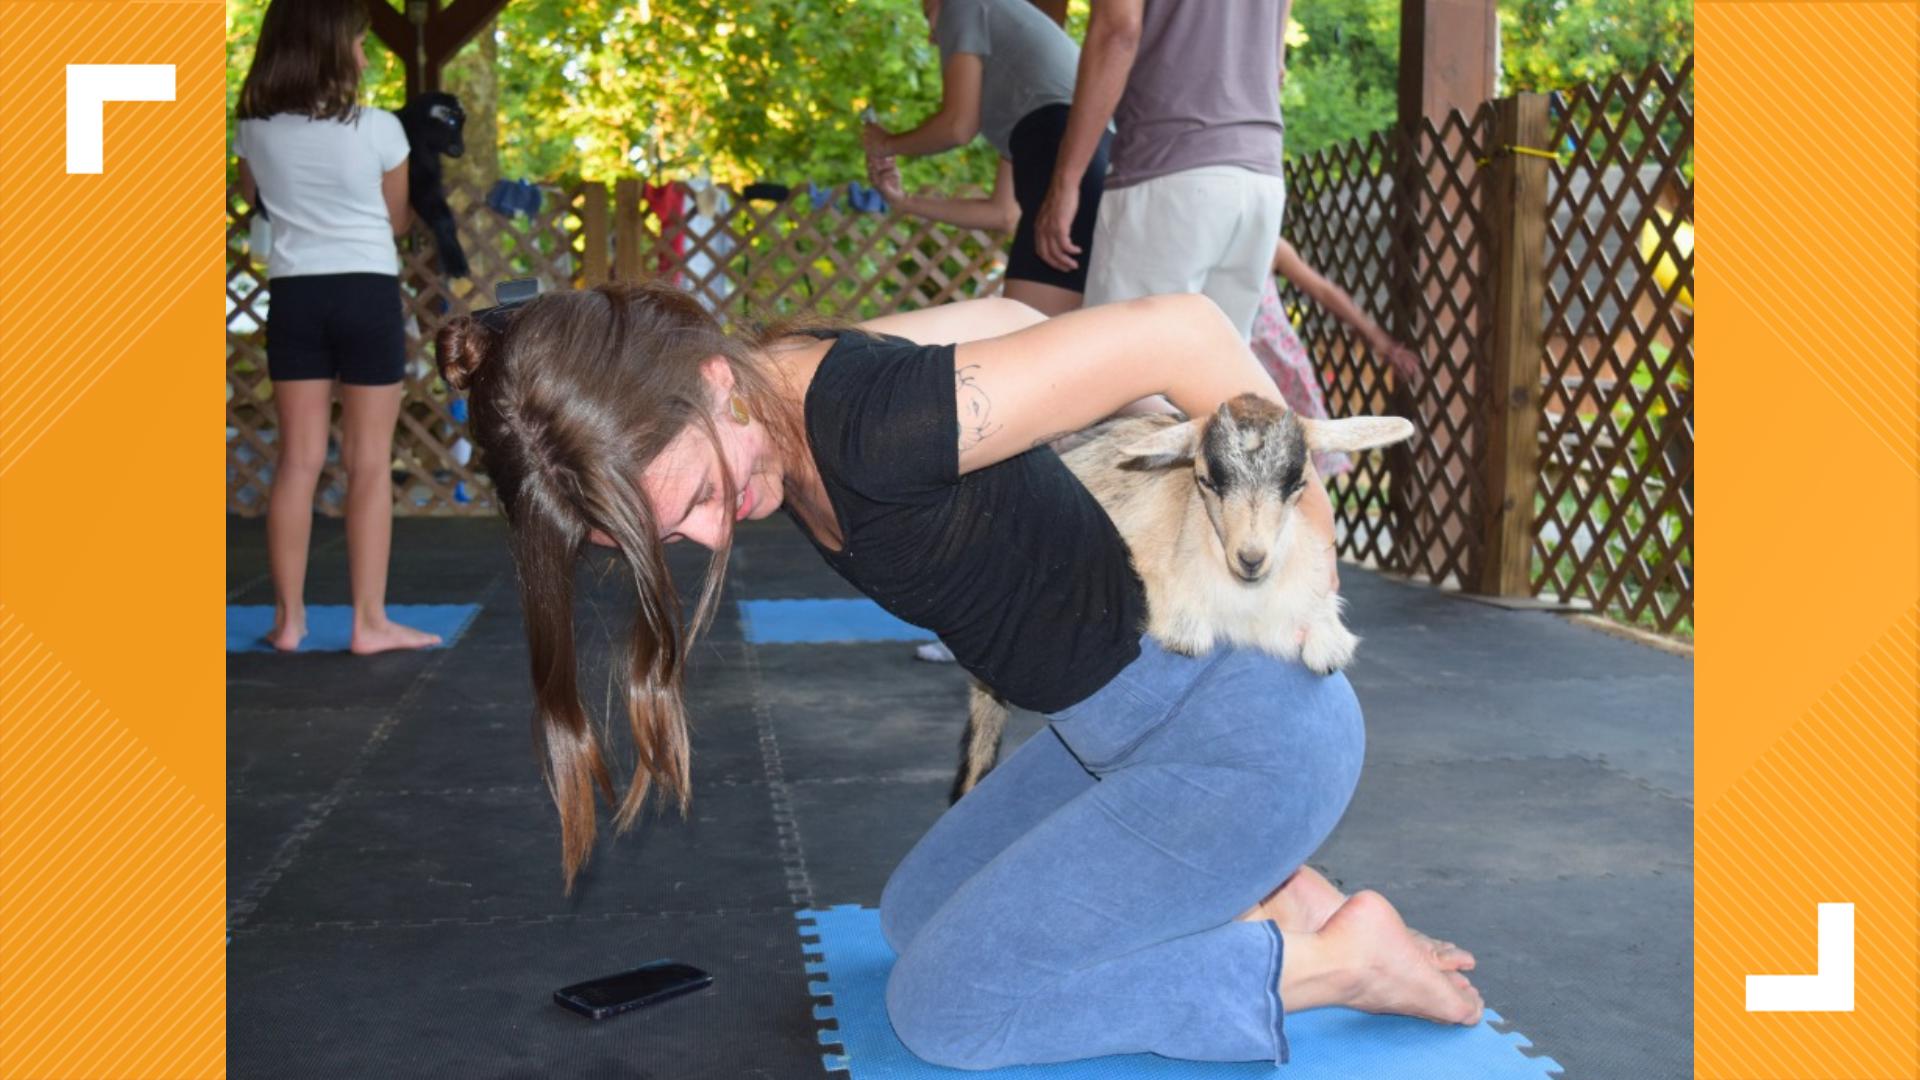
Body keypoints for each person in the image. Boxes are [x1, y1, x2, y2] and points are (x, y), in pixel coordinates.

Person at [437, 281, 1484, 1069]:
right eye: (676, 532)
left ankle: (1340, 963)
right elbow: (1001, 308)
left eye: (703, 493)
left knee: (951, 1013)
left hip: (1245, 739)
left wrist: (1306, 577)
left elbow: (1184, 333)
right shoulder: (777, 377)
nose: (714, 536)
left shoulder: (877, 426)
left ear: (710, 382)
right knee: (911, 917)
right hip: (1121, 737)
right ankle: (1270, 894)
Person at [235, 0, 440, 653]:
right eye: (356, 41)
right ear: (329, 47)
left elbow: (254, 200)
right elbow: (398, 222)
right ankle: (369, 623)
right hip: (365, 293)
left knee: (296, 461)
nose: (362, 53)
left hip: (295, 297)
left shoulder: (255, 130)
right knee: (369, 464)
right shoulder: (380, 129)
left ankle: (289, 623)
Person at [1034, 0, 1291, 339]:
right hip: (1261, 172)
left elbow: (1117, 31)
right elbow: (1277, 66)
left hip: (1169, 171)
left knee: (1118, 368)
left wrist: (1066, 181)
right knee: (1217, 376)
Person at [863, 0, 1109, 317]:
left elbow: (957, 126)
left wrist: (885, 143)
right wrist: (904, 201)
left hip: (1068, 180)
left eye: (929, 18)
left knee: (1026, 344)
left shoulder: (961, 4)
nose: (932, 38)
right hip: (1096, 179)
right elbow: (1001, 213)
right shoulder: (1028, 101)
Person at [1256, 237, 1423, 478]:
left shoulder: (1268, 242)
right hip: (1232, 365)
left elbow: (1325, 291)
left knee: (1297, 467)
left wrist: (1379, 340)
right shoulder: (1200, 239)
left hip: (1282, 369)